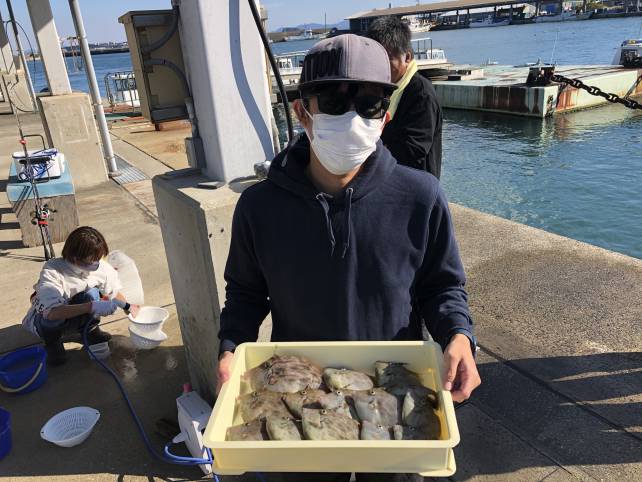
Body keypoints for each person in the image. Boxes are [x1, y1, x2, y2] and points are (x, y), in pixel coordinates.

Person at [216, 34, 480, 481]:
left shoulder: (421, 197)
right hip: (299, 393)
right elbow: (245, 293)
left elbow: (442, 286)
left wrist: (458, 335)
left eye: (369, 103)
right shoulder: (258, 207)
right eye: (334, 102)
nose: (353, 116)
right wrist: (230, 348)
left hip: (393, 390)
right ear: (302, 111)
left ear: (386, 116)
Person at [21, 226, 139, 365]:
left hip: (75, 312)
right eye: (92, 260)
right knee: (55, 318)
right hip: (48, 319)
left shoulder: (100, 266)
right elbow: (51, 313)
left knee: (91, 293)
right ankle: (52, 342)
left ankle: (90, 331)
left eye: (99, 258)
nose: (97, 263)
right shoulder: (53, 271)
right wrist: (92, 306)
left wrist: (128, 307)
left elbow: (113, 291)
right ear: (75, 258)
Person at [367, 16, 443, 179]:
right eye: (375, 60)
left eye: (387, 60)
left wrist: (366, 154)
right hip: (384, 179)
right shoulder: (383, 88)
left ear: (407, 57)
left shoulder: (422, 94)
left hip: (414, 185)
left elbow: (413, 151)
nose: (380, 67)